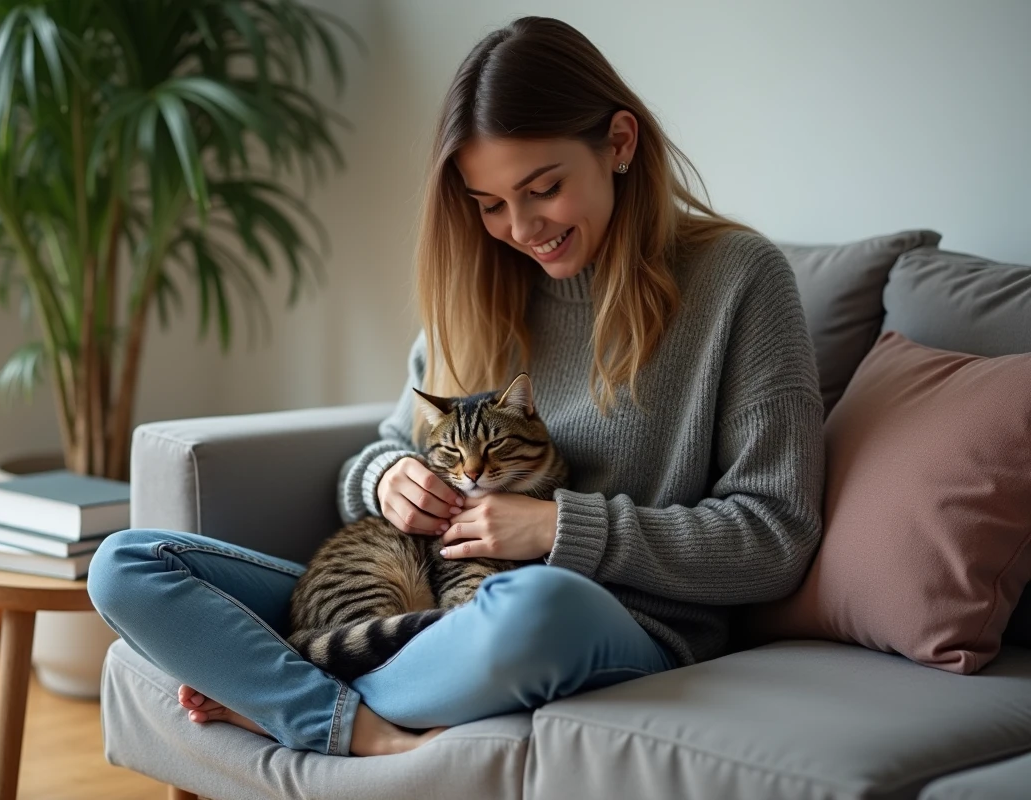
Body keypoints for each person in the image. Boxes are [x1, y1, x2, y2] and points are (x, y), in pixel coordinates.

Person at [86, 15, 825, 758]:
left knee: (534, 605)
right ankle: (348, 723)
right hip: (423, 607)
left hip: (601, 621)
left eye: (543, 188)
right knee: (126, 565)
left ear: (620, 143)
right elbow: (381, 453)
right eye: (490, 204)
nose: (521, 229)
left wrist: (559, 529)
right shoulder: (481, 289)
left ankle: (280, 694)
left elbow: (776, 537)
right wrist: (388, 480)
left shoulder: (739, 279)